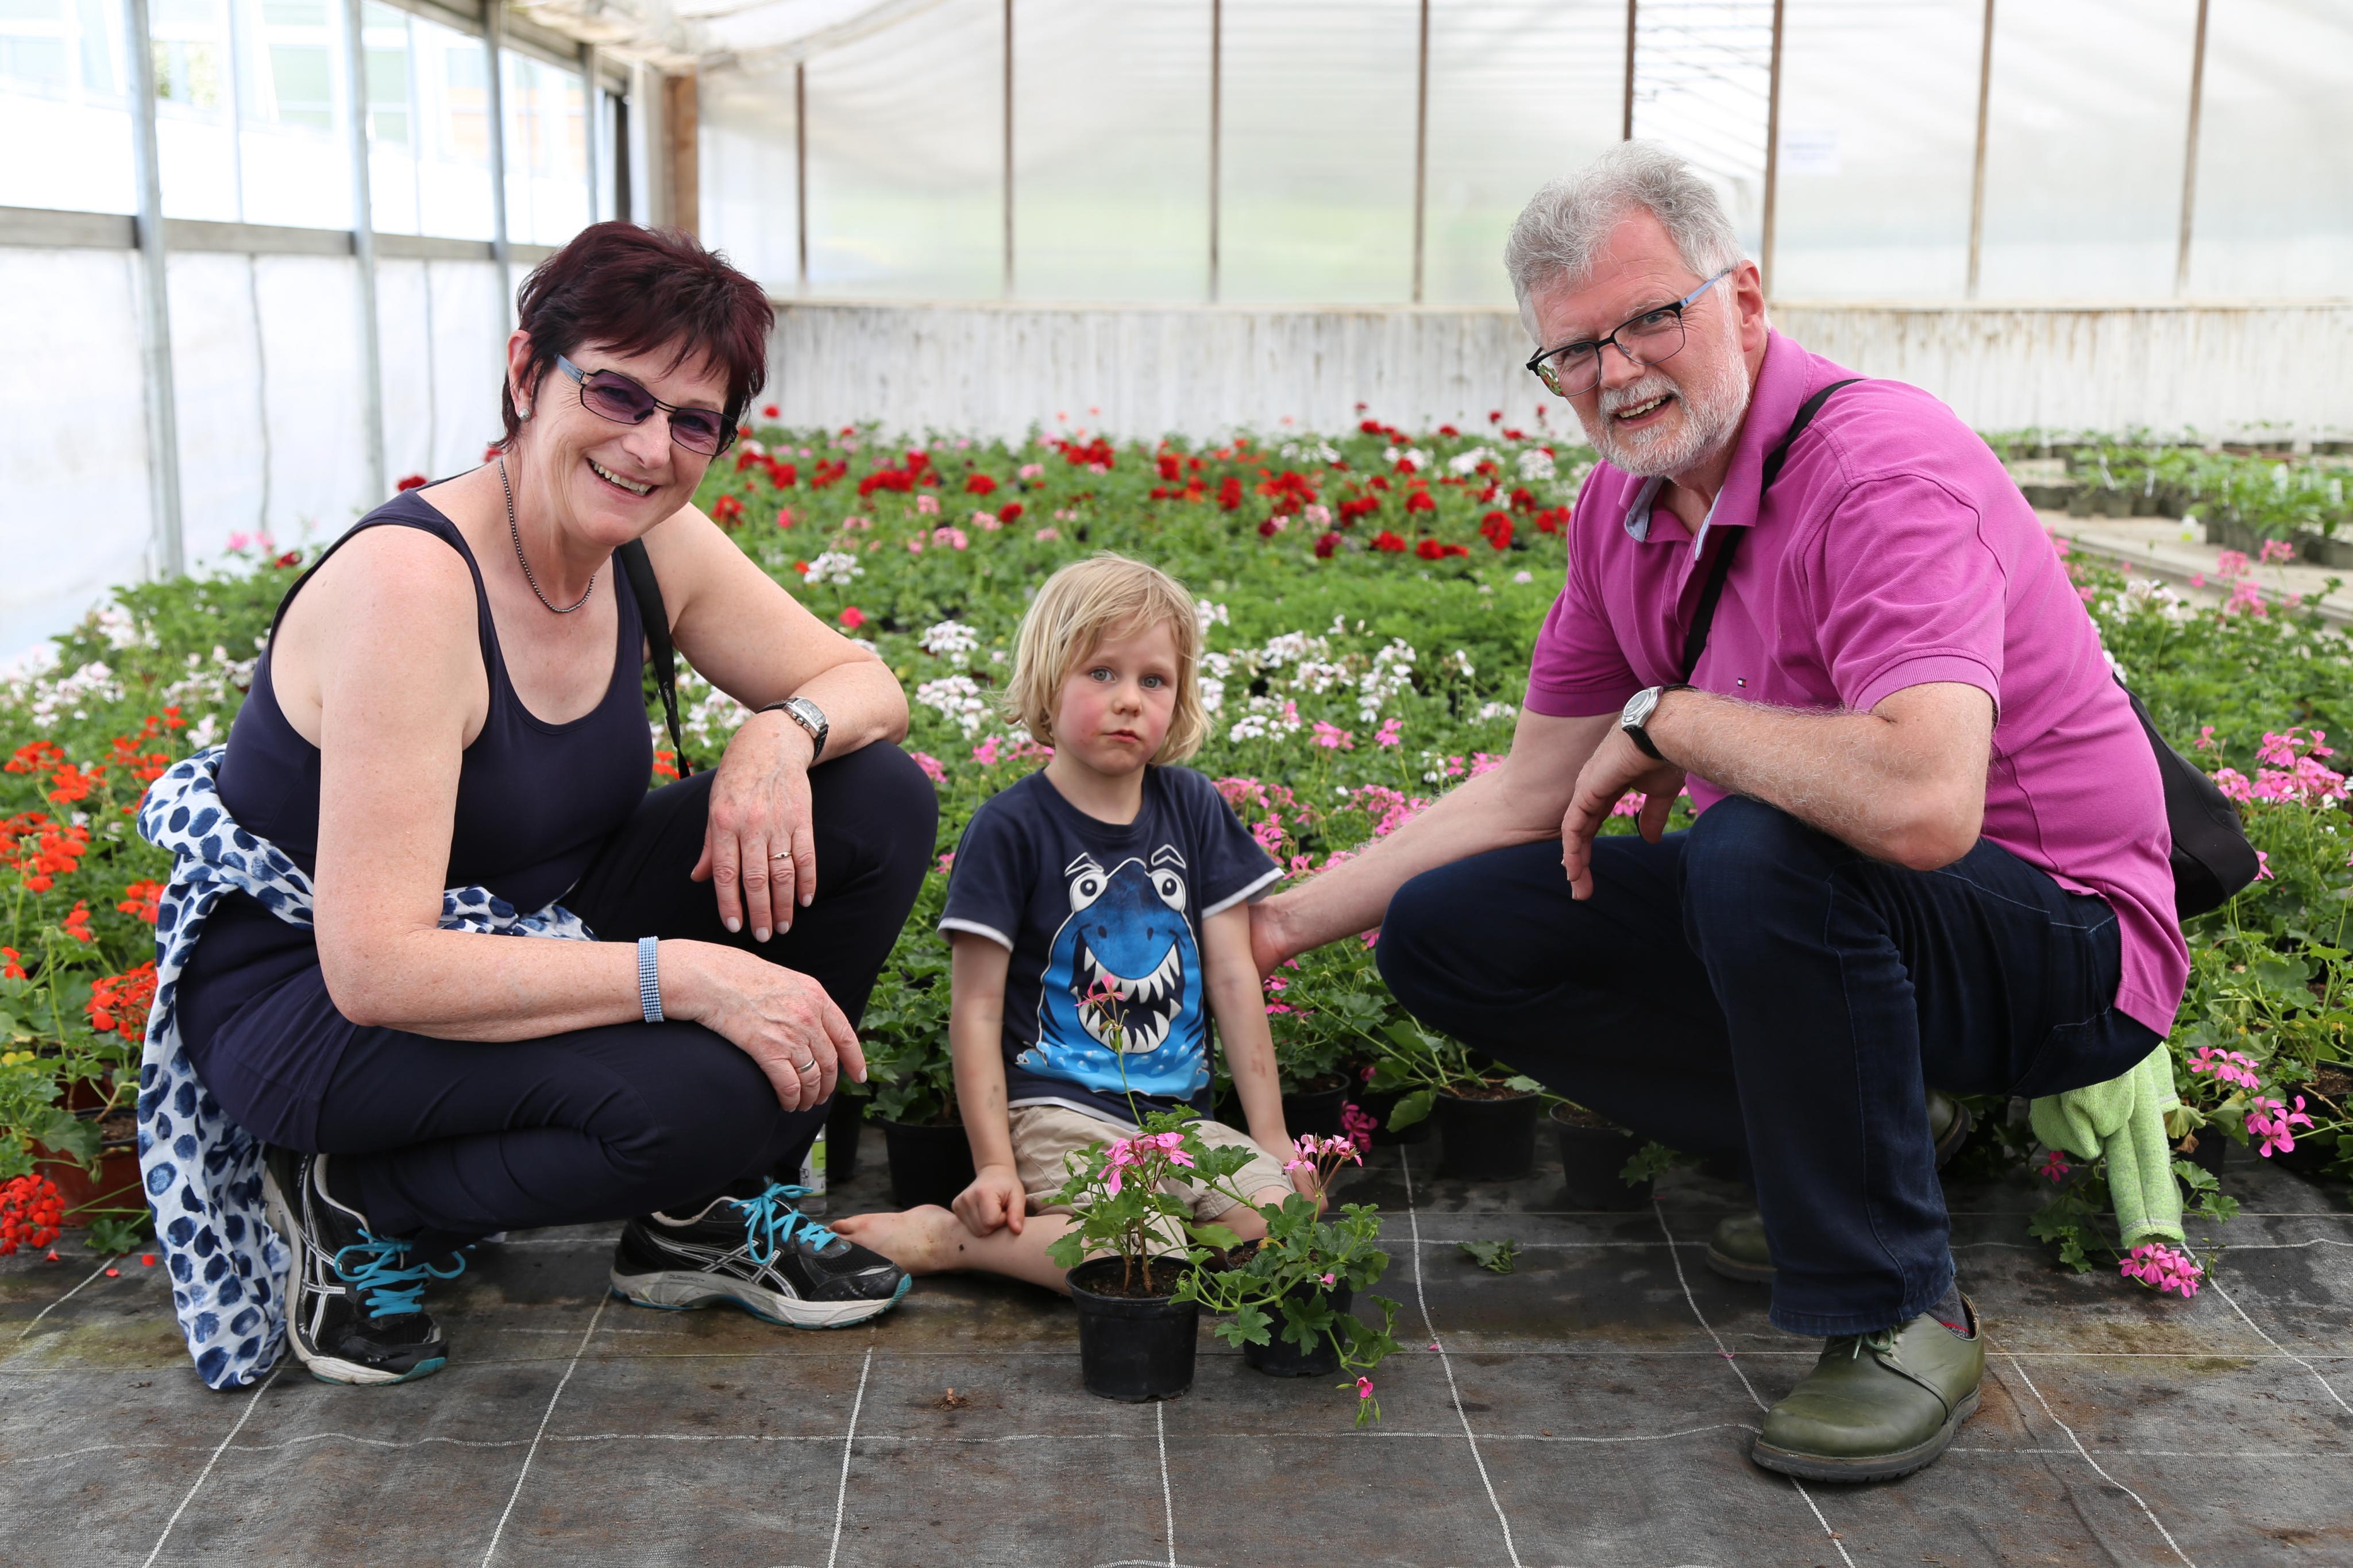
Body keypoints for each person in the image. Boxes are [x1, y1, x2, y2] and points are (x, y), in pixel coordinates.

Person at [1246, 144, 2185, 1482]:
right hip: (1856, 915)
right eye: (1575, 350)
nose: (1617, 372)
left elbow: (1924, 806)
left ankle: (1898, 1308)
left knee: (1754, 846)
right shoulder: (1619, 513)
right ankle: (1863, 1146)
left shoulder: (1879, 469)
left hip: (2064, 948)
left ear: (1742, 300)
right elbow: (1530, 788)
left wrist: (1674, 722)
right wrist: (1278, 931)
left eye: (1648, 319)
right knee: (1452, 930)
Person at [148, 222, 934, 1390]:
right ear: (526, 372)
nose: (649, 447)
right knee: (710, 1096)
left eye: (694, 422)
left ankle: (700, 1220)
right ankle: (353, 1197)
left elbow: (866, 686)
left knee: (869, 797)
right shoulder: (414, 590)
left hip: (532, 928)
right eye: (615, 394)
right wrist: (687, 976)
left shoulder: (651, 548)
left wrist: (779, 732)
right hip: (316, 1005)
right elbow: (376, 967)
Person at [835, 555, 1310, 1288]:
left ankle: (1164, 1235)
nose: (1129, 701)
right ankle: (950, 1241)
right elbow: (977, 1008)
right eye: (1101, 673)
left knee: (1288, 1220)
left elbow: (1232, 976)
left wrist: (1272, 1137)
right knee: (1136, 1255)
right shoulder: (1010, 829)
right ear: (1046, 683)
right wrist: (995, 1165)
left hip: (1180, 1124)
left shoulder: (1193, 807)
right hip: (1060, 1114)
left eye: (1154, 680)